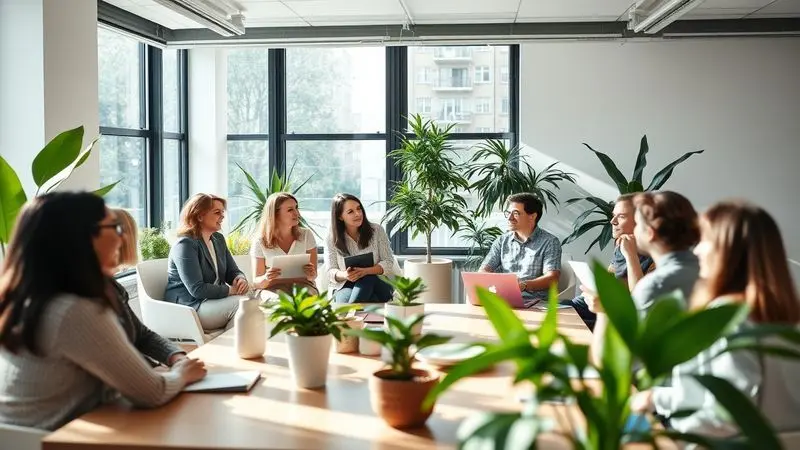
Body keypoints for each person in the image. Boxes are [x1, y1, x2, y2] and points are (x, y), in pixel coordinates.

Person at [0, 192, 206, 431]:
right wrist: (182, 373)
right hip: (57, 440)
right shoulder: (75, 310)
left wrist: (175, 357)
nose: (122, 239)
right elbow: (153, 392)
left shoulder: (34, 299)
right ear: (84, 237)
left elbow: (140, 334)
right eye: (115, 228)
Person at [630, 201, 800, 438]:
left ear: (727, 251)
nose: (697, 251)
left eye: (705, 241)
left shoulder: (727, 318)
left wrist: (671, 437)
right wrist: (656, 398)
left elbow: (730, 413)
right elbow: (718, 392)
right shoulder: (788, 313)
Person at [562, 194, 655, 331]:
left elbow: (640, 300)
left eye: (621, 216)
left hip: (617, 315)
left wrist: (631, 256)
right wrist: (593, 287)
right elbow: (609, 278)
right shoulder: (621, 245)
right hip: (595, 305)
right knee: (559, 308)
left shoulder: (655, 256)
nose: (612, 221)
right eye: (614, 215)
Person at [112, 208, 187, 366]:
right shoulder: (88, 297)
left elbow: (141, 335)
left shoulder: (114, 288)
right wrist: (158, 370)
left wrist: (176, 356)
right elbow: (118, 353)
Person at [164, 194, 248, 331]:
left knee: (256, 297)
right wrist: (231, 290)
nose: (222, 216)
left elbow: (232, 271)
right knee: (243, 304)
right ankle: (228, 345)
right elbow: (197, 289)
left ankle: (226, 343)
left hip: (212, 302)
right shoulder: (185, 244)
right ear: (199, 216)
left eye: (222, 212)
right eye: (217, 212)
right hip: (191, 307)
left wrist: (240, 279)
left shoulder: (218, 239)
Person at [480, 193, 562, 308]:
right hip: (504, 299)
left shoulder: (550, 242)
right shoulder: (502, 240)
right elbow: (484, 269)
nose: (509, 218)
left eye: (516, 213)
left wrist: (523, 285)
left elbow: (552, 278)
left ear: (532, 216)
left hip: (536, 303)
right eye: (508, 213)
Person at [326, 193, 400, 303]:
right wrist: (345, 275)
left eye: (359, 208)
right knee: (351, 300)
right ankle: (358, 310)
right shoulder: (331, 238)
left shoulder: (377, 230)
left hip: (378, 282)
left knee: (368, 278)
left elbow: (388, 261)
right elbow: (330, 272)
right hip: (346, 285)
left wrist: (366, 271)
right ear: (340, 216)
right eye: (350, 211)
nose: (358, 214)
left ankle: (351, 314)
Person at [250, 192, 318, 297]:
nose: (297, 213)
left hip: (303, 286)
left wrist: (311, 274)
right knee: (279, 303)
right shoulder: (260, 241)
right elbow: (256, 282)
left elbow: (313, 277)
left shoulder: (306, 235)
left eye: (296, 208)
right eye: (290, 210)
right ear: (275, 214)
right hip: (271, 289)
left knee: (306, 300)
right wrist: (266, 277)